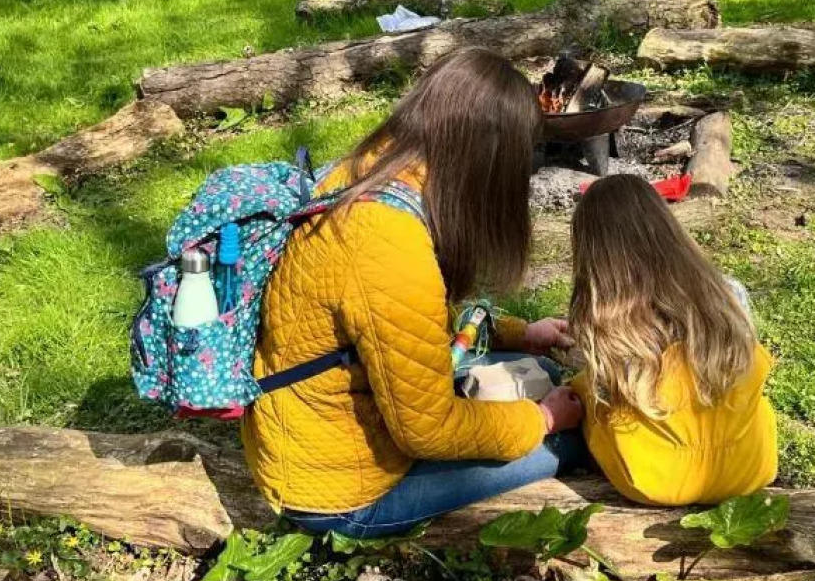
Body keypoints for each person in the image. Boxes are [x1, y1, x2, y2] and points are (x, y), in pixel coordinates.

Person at [243, 48, 584, 538]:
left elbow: (405, 325)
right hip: (339, 491)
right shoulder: (389, 247)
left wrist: (519, 334)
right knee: (571, 436)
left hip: (311, 424)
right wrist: (544, 421)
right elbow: (428, 429)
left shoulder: (372, 167)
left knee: (546, 371)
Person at [566, 175, 777, 506]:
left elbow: (605, 390)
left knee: (581, 394)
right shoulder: (728, 292)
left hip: (652, 479)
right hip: (748, 468)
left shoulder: (603, 319)